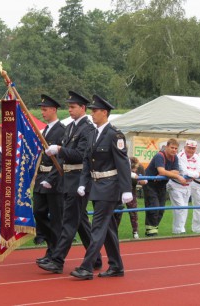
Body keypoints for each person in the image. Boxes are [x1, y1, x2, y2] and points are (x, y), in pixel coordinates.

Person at [38, 90, 102, 274]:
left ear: (83, 108)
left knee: (68, 223)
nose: (70, 110)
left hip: (79, 181)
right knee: (81, 223)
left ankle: (57, 260)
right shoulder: (72, 127)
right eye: (69, 107)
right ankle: (96, 257)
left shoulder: (87, 129)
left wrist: (59, 149)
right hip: (68, 180)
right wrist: (53, 178)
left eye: (73, 107)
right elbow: (65, 159)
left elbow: (81, 155)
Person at [70, 94, 132, 280]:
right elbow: (87, 162)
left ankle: (86, 266)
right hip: (96, 187)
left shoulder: (115, 135)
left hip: (110, 187)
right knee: (109, 228)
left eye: (95, 111)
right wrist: (82, 183)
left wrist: (127, 188)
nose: (92, 114)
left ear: (105, 112)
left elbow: (123, 164)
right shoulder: (92, 135)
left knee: (97, 228)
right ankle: (116, 266)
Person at [33, 94, 65, 265]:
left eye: (45, 110)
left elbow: (60, 157)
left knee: (57, 218)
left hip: (54, 179)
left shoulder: (61, 130)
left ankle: (55, 254)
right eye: (42, 110)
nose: (42, 113)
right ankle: (51, 245)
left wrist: (51, 178)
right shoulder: (45, 130)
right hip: (41, 177)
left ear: (54, 110)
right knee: (38, 212)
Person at [143, 138, 186, 237]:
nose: (174, 150)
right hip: (150, 183)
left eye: (176, 148)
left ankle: (154, 228)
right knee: (154, 207)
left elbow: (176, 171)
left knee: (161, 209)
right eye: (172, 148)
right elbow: (163, 171)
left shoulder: (175, 158)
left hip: (162, 184)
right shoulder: (160, 155)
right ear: (166, 147)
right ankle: (150, 231)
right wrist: (175, 176)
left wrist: (164, 175)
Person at [167, 140, 200, 234]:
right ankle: (179, 230)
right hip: (176, 185)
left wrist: (194, 173)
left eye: (193, 148)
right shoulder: (179, 156)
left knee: (184, 208)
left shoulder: (197, 157)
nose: (191, 150)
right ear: (185, 147)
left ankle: (179, 229)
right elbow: (185, 172)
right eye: (189, 148)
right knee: (180, 208)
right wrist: (196, 174)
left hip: (188, 186)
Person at [114, 157, 146, 239]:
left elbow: (145, 180)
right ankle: (114, 232)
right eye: (132, 168)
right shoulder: (121, 165)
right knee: (117, 212)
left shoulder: (140, 167)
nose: (134, 170)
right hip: (119, 190)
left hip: (132, 191)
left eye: (135, 168)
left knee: (133, 212)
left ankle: (135, 232)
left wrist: (142, 181)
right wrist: (131, 174)